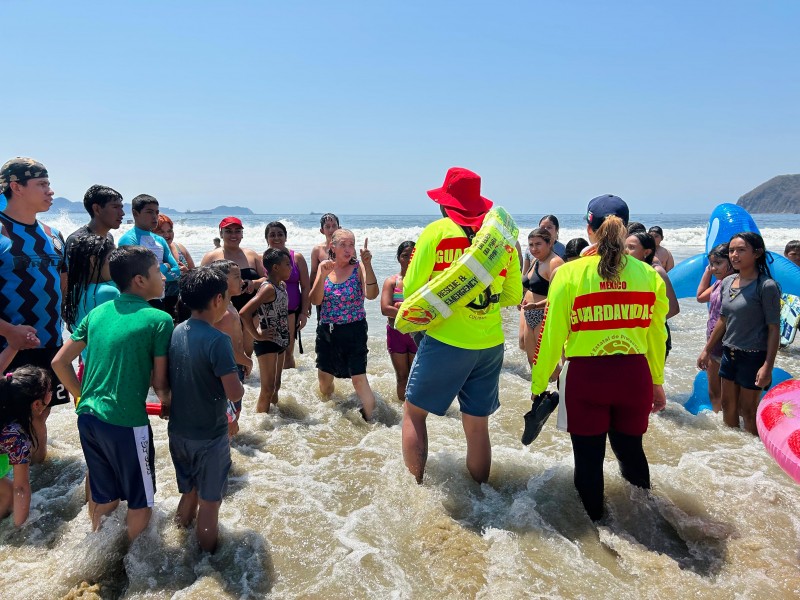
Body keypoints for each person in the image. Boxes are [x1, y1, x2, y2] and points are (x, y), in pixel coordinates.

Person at [529, 194, 668, 522]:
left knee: (588, 462)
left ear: (589, 228)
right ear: (626, 229)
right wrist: (656, 381)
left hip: (586, 378)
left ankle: (598, 530)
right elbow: (656, 336)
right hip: (634, 377)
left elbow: (552, 337)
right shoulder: (649, 276)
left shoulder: (570, 274)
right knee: (631, 453)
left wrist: (539, 384)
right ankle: (646, 520)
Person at [402, 167, 522, 484]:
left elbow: (412, 290)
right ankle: (482, 493)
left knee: (414, 413)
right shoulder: (499, 241)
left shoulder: (436, 232)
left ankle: (415, 489)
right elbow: (513, 294)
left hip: (447, 339)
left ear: (445, 204)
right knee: (477, 425)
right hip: (490, 343)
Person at [51, 246, 173, 541]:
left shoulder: (96, 313)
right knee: (141, 501)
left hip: (89, 417)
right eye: (158, 271)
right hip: (126, 422)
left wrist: (81, 396)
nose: (165, 276)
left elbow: (59, 362)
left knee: (104, 497)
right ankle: (129, 566)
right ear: (140, 280)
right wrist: (169, 405)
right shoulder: (159, 320)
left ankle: (99, 554)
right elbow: (159, 384)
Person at [168, 267, 244, 553]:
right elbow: (233, 392)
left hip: (178, 433)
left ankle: (180, 539)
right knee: (210, 503)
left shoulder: (177, 331)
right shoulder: (218, 340)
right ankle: (206, 561)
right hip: (210, 437)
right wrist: (242, 386)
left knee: (189, 492)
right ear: (217, 300)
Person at [0, 157, 69, 414]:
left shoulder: (53, 234)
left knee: (42, 413)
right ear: (16, 187)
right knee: (10, 421)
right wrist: (9, 331)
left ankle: (42, 457)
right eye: (42, 184)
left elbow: (61, 284)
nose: (50, 191)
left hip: (51, 344)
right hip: (8, 347)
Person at [698, 232, 781, 435]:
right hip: (729, 353)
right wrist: (707, 350)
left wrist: (767, 366)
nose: (734, 255)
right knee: (728, 408)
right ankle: (732, 457)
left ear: (757, 253)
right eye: (732, 250)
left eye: (741, 250)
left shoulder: (766, 286)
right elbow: (723, 320)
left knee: (748, 411)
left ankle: (755, 459)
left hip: (753, 356)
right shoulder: (727, 282)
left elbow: (774, 329)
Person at [311, 229, 378, 420]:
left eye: (351, 244)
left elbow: (372, 294)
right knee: (324, 382)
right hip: (327, 331)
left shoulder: (359, 268)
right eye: (343, 245)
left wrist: (368, 264)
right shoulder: (325, 267)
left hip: (354, 330)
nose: (349, 249)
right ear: (333, 246)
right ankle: (330, 414)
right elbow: (315, 300)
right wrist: (322, 276)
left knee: (358, 379)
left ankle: (372, 422)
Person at [201, 217, 267, 356]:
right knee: (228, 350)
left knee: (248, 350)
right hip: (223, 311)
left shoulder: (251, 255)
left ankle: (246, 376)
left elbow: (267, 279)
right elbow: (201, 284)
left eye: (237, 231)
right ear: (221, 234)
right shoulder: (211, 257)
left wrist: (253, 283)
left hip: (250, 310)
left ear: (242, 234)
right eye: (228, 231)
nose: (233, 235)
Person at [240, 249, 293, 413]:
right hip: (267, 342)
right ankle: (262, 422)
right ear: (276, 268)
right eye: (287, 264)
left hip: (280, 340)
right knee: (267, 388)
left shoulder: (281, 285)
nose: (291, 267)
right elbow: (244, 312)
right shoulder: (268, 288)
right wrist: (257, 335)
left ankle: (274, 421)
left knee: (276, 385)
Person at [0, 366, 51, 527]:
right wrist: (21, 530)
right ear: (37, 405)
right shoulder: (16, 437)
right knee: (9, 496)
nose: (52, 394)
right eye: (49, 391)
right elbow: (21, 488)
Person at [118, 194, 181, 310]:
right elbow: (134, 276)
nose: (155, 216)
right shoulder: (128, 239)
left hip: (160, 299)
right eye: (150, 212)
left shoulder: (160, 240)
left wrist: (153, 273)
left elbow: (177, 272)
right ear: (135, 213)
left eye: (157, 212)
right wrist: (165, 267)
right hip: (137, 302)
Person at [624, 231, 680, 358]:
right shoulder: (627, 272)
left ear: (647, 252)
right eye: (625, 246)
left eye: (631, 247)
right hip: (634, 337)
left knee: (654, 377)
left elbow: (673, 308)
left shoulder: (656, 272)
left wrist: (649, 322)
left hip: (655, 336)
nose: (626, 251)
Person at [265, 221, 310, 369]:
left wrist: (304, 312)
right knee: (269, 352)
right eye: (272, 235)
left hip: (291, 311)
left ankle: (288, 387)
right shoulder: (262, 259)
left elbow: (305, 286)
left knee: (288, 351)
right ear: (267, 239)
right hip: (268, 313)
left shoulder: (296, 257)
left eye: (280, 234)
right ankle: (272, 384)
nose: (276, 238)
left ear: (285, 237)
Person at [696, 243, 734, 412]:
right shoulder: (719, 283)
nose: (714, 268)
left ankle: (730, 426)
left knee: (729, 396)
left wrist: (706, 349)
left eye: (718, 263)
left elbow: (724, 319)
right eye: (712, 264)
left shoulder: (732, 284)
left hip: (727, 345)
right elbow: (700, 297)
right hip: (713, 344)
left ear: (731, 262)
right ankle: (722, 427)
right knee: (714, 392)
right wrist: (707, 272)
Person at [208, 260, 253, 398]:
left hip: (236, 363)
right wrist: (248, 361)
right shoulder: (225, 314)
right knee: (232, 413)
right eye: (237, 277)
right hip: (229, 367)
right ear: (223, 281)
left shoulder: (228, 304)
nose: (242, 281)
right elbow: (225, 350)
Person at [380, 241, 418, 401]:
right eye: (404, 256)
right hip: (396, 333)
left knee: (417, 379)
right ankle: (404, 412)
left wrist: (400, 309)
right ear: (398, 258)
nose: (409, 259)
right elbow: (385, 309)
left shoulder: (423, 281)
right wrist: (412, 313)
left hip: (418, 334)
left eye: (412, 256)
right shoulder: (392, 282)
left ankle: (417, 413)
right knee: (402, 376)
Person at [521, 228, 564, 365]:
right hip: (530, 314)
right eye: (531, 245)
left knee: (546, 364)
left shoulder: (555, 263)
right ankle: (539, 387)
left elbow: (558, 295)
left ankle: (561, 385)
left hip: (543, 315)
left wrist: (536, 305)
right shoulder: (535, 260)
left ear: (549, 243)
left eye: (538, 244)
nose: (534, 248)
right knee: (533, 361)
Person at [63, 234, 120, 333]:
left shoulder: (75, 291)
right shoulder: (108, 292)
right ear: (94, 261)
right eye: (111, 257)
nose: (115, 262)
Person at [64, 185, 124, 261]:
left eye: (121, 207)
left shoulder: (109, 237)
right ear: (96, 209)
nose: (122, 213)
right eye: (115, 207)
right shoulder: (77, 240)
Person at [154, 214, 195, 321]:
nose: (167, 235)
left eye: (170, 230)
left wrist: (187, 273)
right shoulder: (151, 252)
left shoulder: (179, 247)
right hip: (160, 304)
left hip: (183, 303)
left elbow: (195, 273)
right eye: (161, 231)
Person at [309, 213, 341, 299]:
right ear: (322, 230)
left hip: (344, 293)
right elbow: (313, 274)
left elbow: (354, 272)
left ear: (339, 228)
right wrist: (309, 300)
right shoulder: (317, 250)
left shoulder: (347, 249)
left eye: (334, 226)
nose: (331, 229)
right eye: (327, 226)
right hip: (323, 294)